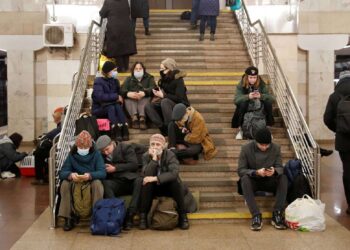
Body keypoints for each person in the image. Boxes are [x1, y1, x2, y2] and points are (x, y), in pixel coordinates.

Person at [238, 128, 288, 231]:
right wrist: (255, 172)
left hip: (269, 180)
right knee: (244, 179)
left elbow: (280, 168)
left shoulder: (276, 148)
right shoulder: (246, 148)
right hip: (254, 180)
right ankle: (256, 215)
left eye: (267, 145)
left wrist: (274, 171)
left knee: (283, 178)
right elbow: (241, 170)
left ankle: (277, 214)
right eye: (262, 145)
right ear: (256, 142)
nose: (264, 147)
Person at [138, 134, 189, 230]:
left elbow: (174, 173)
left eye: (158, 144)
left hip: (167, 186)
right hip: (154, 188)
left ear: (163, 146)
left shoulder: (170, 155)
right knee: (145, 182)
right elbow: (146, 174)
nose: (155, 147)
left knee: (176, 181)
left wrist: (156, 179)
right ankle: (143, 217)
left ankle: (183, 217)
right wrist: (153, 160)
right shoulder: (145, 156)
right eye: (152, 144)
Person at [58, 130, 106, 231]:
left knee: (97, 184)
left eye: (85, 147)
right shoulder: (72, 155)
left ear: (90, 146)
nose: (83, 149)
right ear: (77, 146)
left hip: (90, 180)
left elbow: (102, 172)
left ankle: (97, 217)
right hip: (75, 181)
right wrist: (70, 175)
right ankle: (68, 218)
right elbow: (62, 173)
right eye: (81, 147)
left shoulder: (96, 154)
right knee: (65, 184)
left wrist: (90, 176)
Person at [95, 135, 141, 229]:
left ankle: (130, 214)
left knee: (140, 181)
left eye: (107, 149)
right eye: (103, 151)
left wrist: (115, 168)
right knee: (105, 183)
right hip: (116, 182)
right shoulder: (102, 155)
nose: (106, 153)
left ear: (112, 143)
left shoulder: (126, 147)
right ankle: (117, 210)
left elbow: (133, 164)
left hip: (130, 180)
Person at [324, 67, 350, 215]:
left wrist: (339, 129)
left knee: (347, 171)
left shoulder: (334, 96)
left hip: (344, 141)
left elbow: (327, 119)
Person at [145, 58, 190, 136]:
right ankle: (163, 128)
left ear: (169, 69)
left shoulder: (178, 80)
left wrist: (163, 96)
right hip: (166, 105)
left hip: (179, 105)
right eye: (160, 68)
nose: (161, 70)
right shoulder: (164, 78)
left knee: (165, 101)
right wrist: (154, 91)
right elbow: (160, 90)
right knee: (148, 106)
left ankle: (170, 128)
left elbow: (180, 98)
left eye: (163, 69)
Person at [231, 66, 275, 139]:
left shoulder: (261, 83)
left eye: (254, 77)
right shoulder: (241, 84)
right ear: (246, 77)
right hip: (246, 106)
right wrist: (247, 97)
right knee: (242, 104)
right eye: (250, 77)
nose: (253, 80)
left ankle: (268, 128)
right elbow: (236, 100)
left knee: (268, 103)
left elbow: (272, 98)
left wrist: (261, 96)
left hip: (259, 106)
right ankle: (241, 129)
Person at [92, 61, 129, 141]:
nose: (116, 72)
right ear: (108, 71)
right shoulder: (98, 81)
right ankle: (116, 129)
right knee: (111, 107)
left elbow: (119, 93)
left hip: (112, 104)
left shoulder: (115, 81)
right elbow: (100, 97)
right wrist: (116, 96)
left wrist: (122, 95)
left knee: (117, 106)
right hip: (100, 107)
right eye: (114, 70)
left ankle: (124, 128)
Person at [99, 0, 137, 72]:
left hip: (115, 29)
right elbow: (128, 12)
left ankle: (120, 70)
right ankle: (125, 68)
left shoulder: (108, 2)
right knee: (126, 50)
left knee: (117, 50)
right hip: (127, 28)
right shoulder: (125, 1)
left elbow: (102, 13)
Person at [31, 107, 64, 185]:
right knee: (41, 153)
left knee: (38, 154)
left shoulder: (62, 124)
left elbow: (55, 133)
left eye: (54, 117)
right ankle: (45, 175)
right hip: (56, 146)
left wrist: (46, 136)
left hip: (56, 148)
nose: (54, 119)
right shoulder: (62, 123)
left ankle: (40, 178)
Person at [121, 62, 156, 130]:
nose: (138, 70)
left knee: (145, 98)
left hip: (144, 99)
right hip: (132, 101)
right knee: (128, 98)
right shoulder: (129, 79)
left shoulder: (149, 77)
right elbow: (122, 89)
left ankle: (142, 119)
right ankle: (134, 119)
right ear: (133, 70)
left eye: (140, 68)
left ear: (143, 69)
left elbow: (153, 88)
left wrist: (145, 93)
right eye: (136, 68)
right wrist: (128, 94)